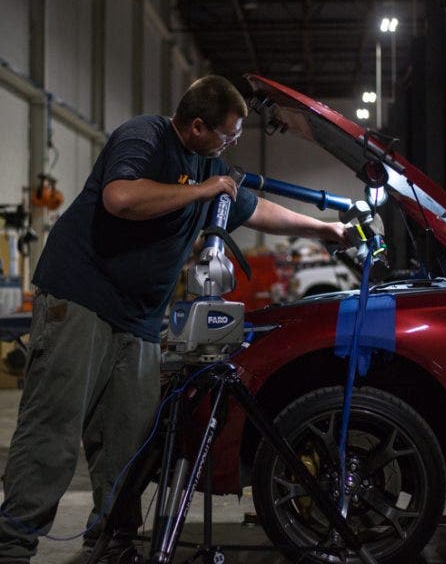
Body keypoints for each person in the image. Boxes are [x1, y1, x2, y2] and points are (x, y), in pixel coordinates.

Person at [0, 75, 346, 563]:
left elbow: (254, 209)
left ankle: (114, 542)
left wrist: (325, 227)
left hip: (139, 318)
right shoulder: (145, 137)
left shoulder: (208, 164)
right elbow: (119, 198)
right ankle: (13, 545)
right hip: (81, 297)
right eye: (227, 135)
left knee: (129, 437)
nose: (231, 145)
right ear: (198, 125)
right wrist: (202, 191)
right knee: (54, 429)